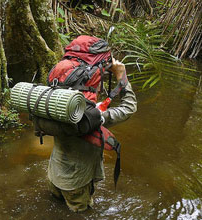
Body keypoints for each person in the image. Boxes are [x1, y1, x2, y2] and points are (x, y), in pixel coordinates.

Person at [47, 58, 137, 212]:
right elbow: (129, 107)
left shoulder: (53, 103)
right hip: (76, 185)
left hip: (54, 175)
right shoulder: (94, 117)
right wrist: (121, 75)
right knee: (81, 214)